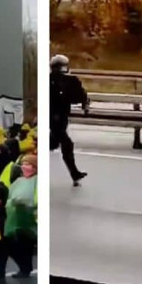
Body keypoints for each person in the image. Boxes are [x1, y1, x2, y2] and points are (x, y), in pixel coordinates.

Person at [49, 54, 90, 186]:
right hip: (54, 118)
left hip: (60, 118)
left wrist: (84, 103)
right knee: (66, 144)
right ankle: (74, 173)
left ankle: (74, 174)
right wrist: (84, 103)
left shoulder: (67, 80)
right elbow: (78, 96)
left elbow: (80, 95)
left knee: (53, 143)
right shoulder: (57, 81)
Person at [0, 154, 38, 284]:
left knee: (26, 244)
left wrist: (27, 204)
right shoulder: (18, 181)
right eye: (24, 164)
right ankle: (24, 267)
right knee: (13, 244)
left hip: (29, 218)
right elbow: (10, 197)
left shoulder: (37, 181)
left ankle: (25, 269)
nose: (25, 167)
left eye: (29, 164)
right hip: (15, 217)